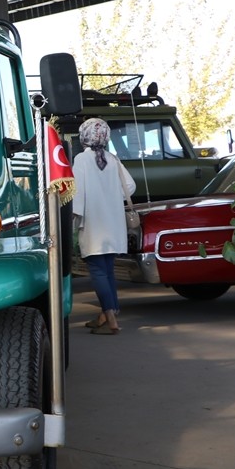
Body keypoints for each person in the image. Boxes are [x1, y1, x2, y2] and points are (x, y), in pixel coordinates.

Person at [72, 117, 136, 334]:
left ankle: (111, 320)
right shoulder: (113, 158)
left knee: (98, 270)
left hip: (93, 222)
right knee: (108, 270)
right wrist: (111, 197)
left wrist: (74, 219)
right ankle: (107, 314)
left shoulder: (82, 159)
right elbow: (130, 185)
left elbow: (77, 192)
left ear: (84, 136)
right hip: (114, 223)